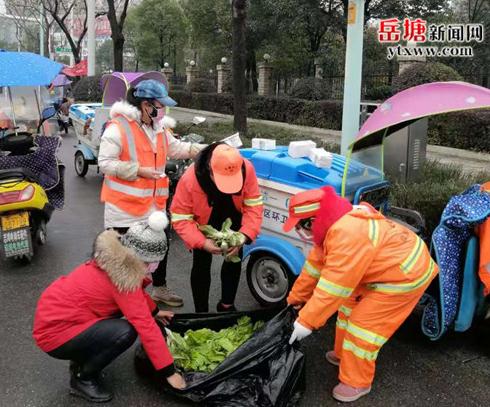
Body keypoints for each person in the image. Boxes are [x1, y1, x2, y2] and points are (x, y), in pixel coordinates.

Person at [285, 186, 439, 403]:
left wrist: (306, 322)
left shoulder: (347, 233)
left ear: (311, 221)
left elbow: (332, 288)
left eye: (300, 226)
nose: (300, 232)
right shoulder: (332, 225)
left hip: (404, 276)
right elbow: (313, 270)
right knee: (347, 308)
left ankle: (357, 382)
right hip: (384, 268)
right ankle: (343, 356)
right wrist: (295, 300)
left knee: (363, 327)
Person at [32, 212, 186, 403]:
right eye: (152, 262)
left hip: (58, 320)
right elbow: (145, 326)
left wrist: (155, 310)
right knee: (124, 332)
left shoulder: (115, 262)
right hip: (55, 333)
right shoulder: (124, 281)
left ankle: (80, 359)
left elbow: (137, 295)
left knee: (117, 322)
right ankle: (83, 378)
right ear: (144, 259)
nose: (154, 266)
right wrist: (169, 372)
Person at [98, 79, 206, 307]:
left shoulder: (159, 128)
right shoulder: (118, 128)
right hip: (124, 208)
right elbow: (105, 163)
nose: (163, 110)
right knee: (124, 256)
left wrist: (203, 150)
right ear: (146, 105)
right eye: (160, 105)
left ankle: (159, 289)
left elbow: (176, 148)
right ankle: (120, 299)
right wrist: (137, 171)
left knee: (160, 248)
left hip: (154, 207)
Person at [170, 143, 263, 312]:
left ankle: (227, 305)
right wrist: (202, 242)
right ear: (209, 170)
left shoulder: (246, 168)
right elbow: (180, 218)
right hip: (204, 222)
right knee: (201, 263)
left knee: (234, 257)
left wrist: (243, 235)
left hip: (233, 214)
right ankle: (202, 312)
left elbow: (254, 205)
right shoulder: (190, 179)